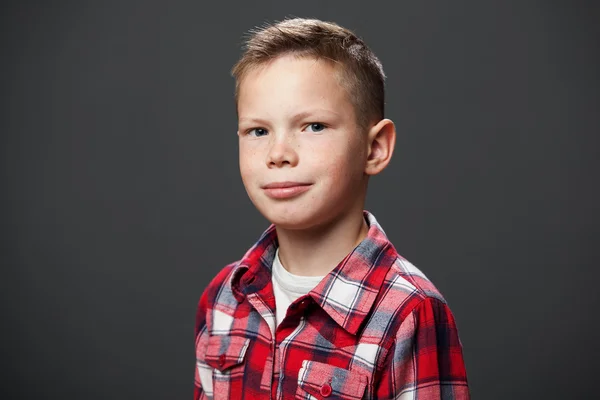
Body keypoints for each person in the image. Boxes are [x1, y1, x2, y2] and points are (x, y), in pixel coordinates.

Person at [194, 18, 469, 399]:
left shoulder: (408, 312)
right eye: (258, 131)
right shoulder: (224, 297)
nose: (278, 154)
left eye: (314, 126)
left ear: (374, 148)